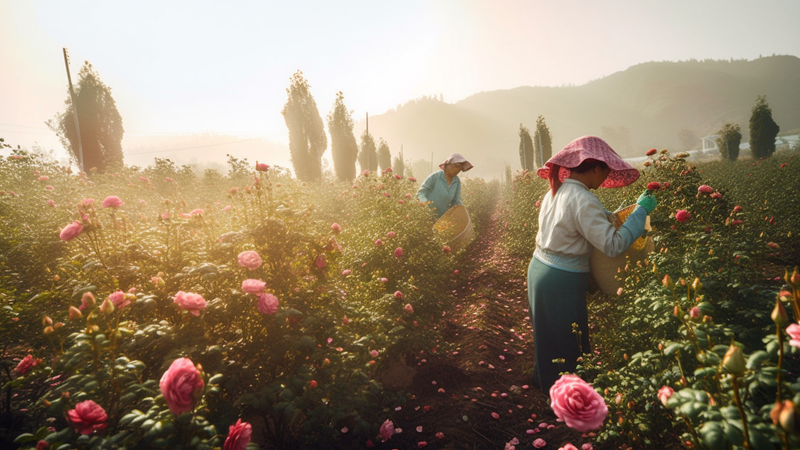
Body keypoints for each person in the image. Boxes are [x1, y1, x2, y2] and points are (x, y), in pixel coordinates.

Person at [527, 135, 657, 391]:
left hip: (539, 270)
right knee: (568, 342)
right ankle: (568, 402)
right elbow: (613, 245)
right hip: (560, 278)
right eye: (605, 171)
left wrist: (617, 214)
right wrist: (640, 213)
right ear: (595, 167)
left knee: (548, 338)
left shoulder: (560, 189)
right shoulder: (583, 199)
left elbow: (582, 223)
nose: (605, 177)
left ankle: (546, 388)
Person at [416, 153, 474, 218]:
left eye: (459, 167)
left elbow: (456, 200)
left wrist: (462, 213)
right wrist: (425, 204)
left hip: (443, 219)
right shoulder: (435, 177)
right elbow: (421, 192)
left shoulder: (457, 181)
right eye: (455, 166)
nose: (457, 169)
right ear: (446, 166)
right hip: (428, 216)